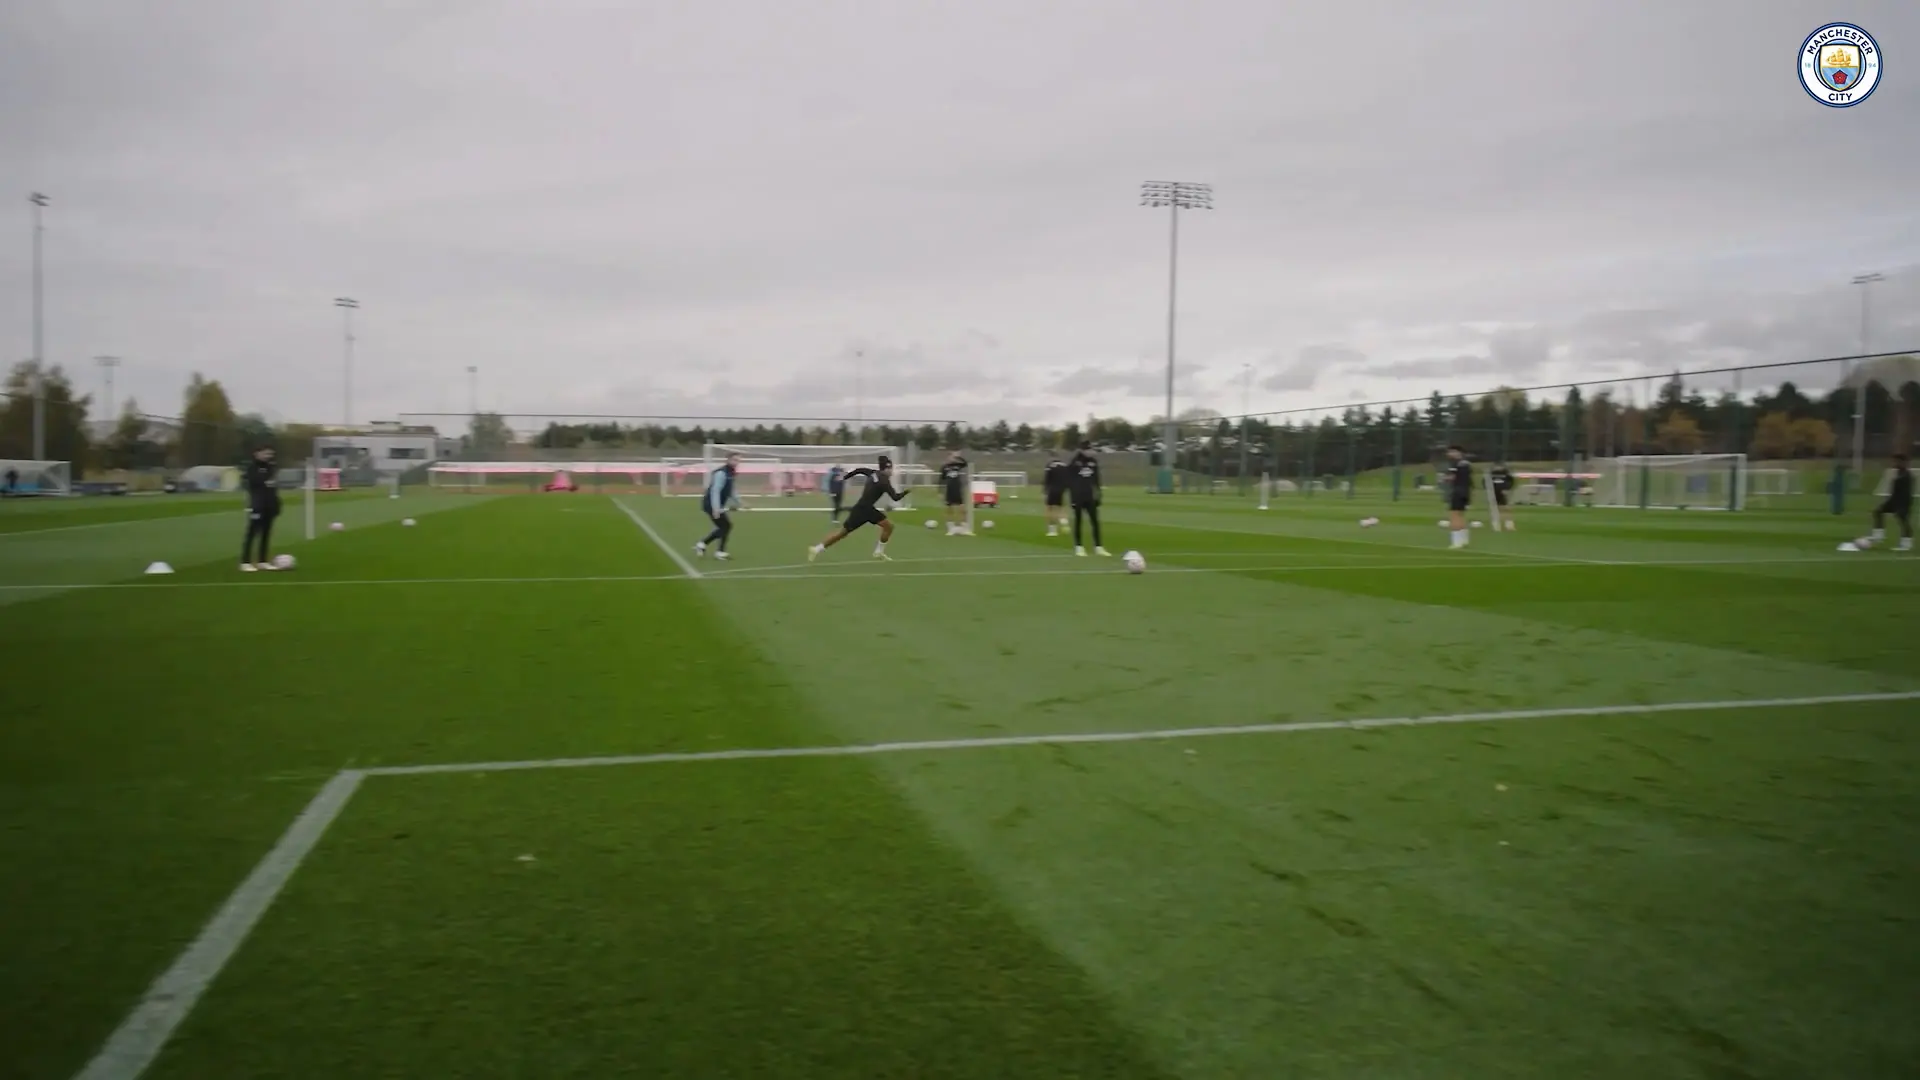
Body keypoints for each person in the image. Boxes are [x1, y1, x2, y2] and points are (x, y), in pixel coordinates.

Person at [809, 455, 910, 562]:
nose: (892, 471)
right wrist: (908, 491)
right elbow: (895, 497)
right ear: (887, 468)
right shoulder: (884, 481)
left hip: (862, 507)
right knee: (888, 527)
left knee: (844, 533)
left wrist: (845, 477)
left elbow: (859, 470)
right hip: (866, 510)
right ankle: (878, 552)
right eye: (891, 469)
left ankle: (816, 549)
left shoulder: (873, 473)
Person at [241, 445, 281, 571]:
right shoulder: (252, 468)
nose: (268, 456)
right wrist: (265, 482)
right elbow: (255, 483)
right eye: (265, 454)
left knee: (266, 534)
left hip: (270, 505)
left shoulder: (271, 468)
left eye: (270, 454)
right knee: (252, 533)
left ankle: (262, 561)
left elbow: (273, 487)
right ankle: (245, 562)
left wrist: (276, 505)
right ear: (257, 454)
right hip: (257, 505)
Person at [694, 453, 741, 561]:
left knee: (724, 526)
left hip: (717, 504)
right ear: (728, 460)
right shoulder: (721, 473)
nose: (736, 462)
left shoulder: (731, 473)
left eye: (738, 460)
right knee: (726, 526)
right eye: (734, 460)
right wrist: (716, 508)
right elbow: (715, 491)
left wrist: (740, 502)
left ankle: (702, 545)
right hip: (711, 503)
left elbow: (731, 490)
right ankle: (719, 551)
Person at [1067, 441, 1109, 557]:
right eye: (1088, 450)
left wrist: (1099, 495)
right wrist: (1073, 498)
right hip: (1078, 496)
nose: (1090, 452)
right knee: (1078, 521)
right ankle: (1079, 546)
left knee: (1095, 521)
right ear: (1082, 450)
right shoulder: (1074, 463)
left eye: (1091, 449)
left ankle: (1098, 547)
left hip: (1090, 496)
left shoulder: (1093, 462)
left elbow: (1097, 481)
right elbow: (1069, 482)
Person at [1867, 452, 1913, 552]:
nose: (1894, 463)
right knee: (1878, 511)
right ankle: (1879, 535)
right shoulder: (1899, 473)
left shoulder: (1906, 474)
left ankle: (1906, 544)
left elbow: (1906, 492)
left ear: (1903, 462)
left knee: (1903, 520)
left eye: (1896, 461)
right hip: (1894, 500)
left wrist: (1904, 505)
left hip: (1903, 501)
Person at [1443, 445, 1472, 549]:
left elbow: (1451, 477)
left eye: (1451, 452)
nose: (1449, 454)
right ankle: (1464, 540)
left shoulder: (1456, 464)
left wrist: (1445, 478)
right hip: (1465, 491)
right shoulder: (1466, 463)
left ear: (1458, 452)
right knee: (1460, 515)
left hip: (1458, 491)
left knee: (1454, 516)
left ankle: (1456, 542)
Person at [940, 451, 970, 534]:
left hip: (957, 489)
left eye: (953, 457)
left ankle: (965, 527)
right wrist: (940, 492)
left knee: (962, 508)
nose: (951, 459)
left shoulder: (957, 465)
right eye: (950, 457)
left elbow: (965, 463)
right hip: (949, 489)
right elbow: (941, 480)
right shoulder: (944, 467)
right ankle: (950, 527)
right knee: (949, 509)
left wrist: (958, 457)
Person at [1042, 455, 1069, 537]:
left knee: (1049, 508)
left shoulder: (1050, 466)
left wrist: (1045, 491)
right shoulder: (1065, 466)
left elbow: (1047, 479)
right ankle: (1065, 524)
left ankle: (1052, 530)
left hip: (1052, 489)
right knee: (1060, 507)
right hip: (1062, 489)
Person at [1490, 461, 1517, 531]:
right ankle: (1496, 525)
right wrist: (1489, 490)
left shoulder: (1506, 473)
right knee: (1495, 509)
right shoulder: (1492, 473)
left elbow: (1511, 482)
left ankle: (1509, 525)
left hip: (1503, 492)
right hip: (1494, 493)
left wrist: (1507, 489)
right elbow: (1486, 482)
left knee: (1506, 508)